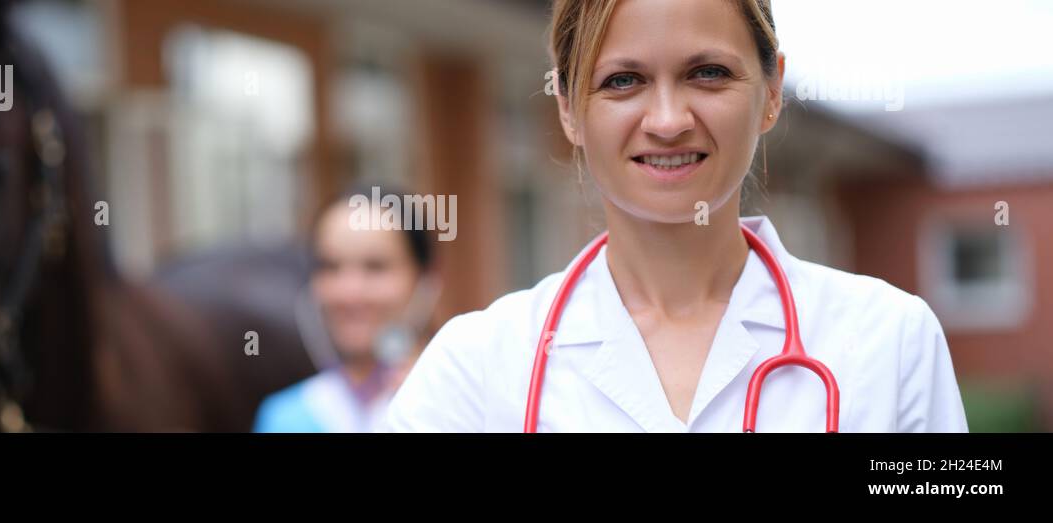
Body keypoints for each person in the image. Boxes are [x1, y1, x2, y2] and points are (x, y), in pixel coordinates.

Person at [383, 0, 969, 432]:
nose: (667, 120)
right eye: (623, 81)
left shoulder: (889, 342)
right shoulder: (474, 369)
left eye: (707, 73)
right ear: (568, 109)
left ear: (770, 92)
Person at [254, 186, 439, 432]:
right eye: (330, 267)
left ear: (425, 281)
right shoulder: (283, 418)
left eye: (376, 267)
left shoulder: (457, 407)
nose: (349, 293)